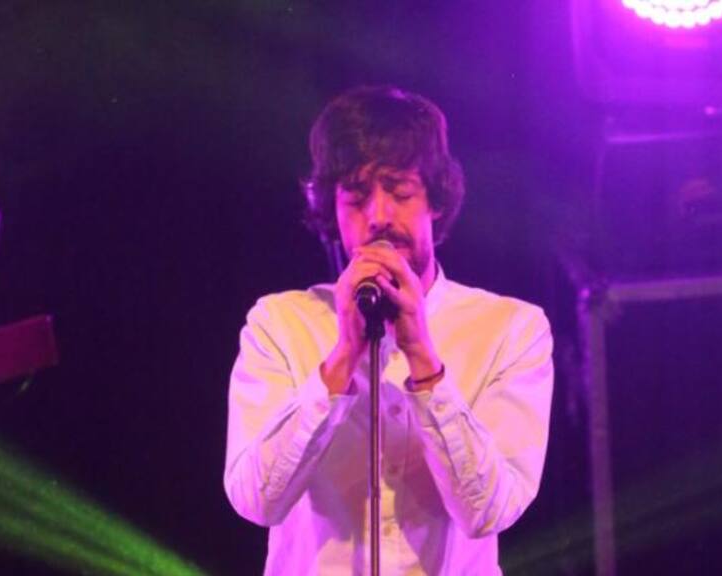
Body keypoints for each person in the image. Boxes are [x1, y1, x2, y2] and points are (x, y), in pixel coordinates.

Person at [224, 86, 554, 575]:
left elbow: (489, 511)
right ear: (332, 211)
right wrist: (341, 359)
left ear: (435, 199)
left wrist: (423, 357)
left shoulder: (510, 328)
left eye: (399, 192)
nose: (378, 216)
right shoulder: (280, 324)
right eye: (356, 198)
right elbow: (256, 501)